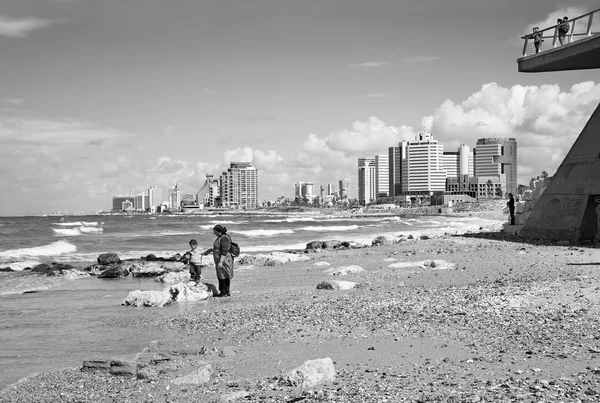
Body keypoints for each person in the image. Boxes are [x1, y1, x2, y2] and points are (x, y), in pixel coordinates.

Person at [202, 224, 234, 297]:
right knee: (221, 275)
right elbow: (218, 248)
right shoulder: (221, 237)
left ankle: (224, 292)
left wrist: (220, 262)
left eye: (215, 232)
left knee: (224, 275)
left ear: (219, 232)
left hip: (224, 259)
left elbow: (224, 250)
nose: (214, 233)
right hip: (221, 259)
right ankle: (223, 292)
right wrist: (210, 251)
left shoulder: (224, 238)